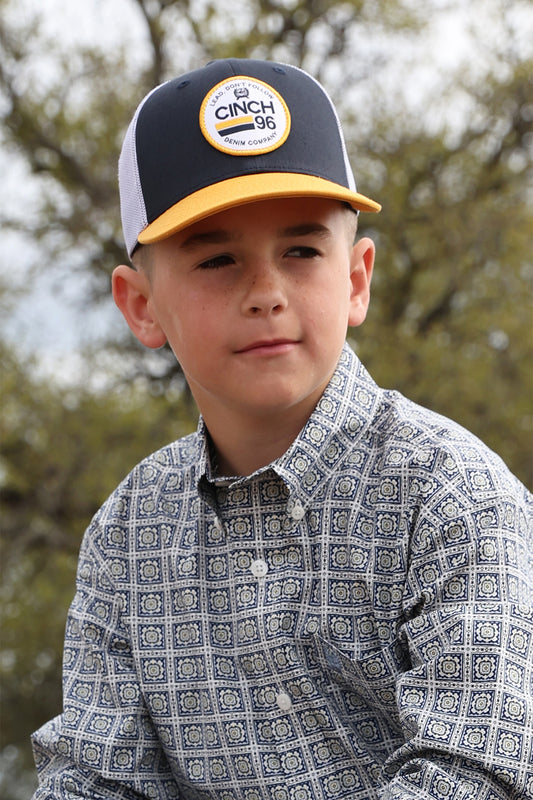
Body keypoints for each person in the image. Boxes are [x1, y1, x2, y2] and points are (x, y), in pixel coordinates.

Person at [32, 58, 532, 800]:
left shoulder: (453, 494)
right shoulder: (127, 535)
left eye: (300, 251)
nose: (265, 292)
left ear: (355, 279)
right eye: (217, 259)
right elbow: (96, 779)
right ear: (141, 306)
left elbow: (476, 771)